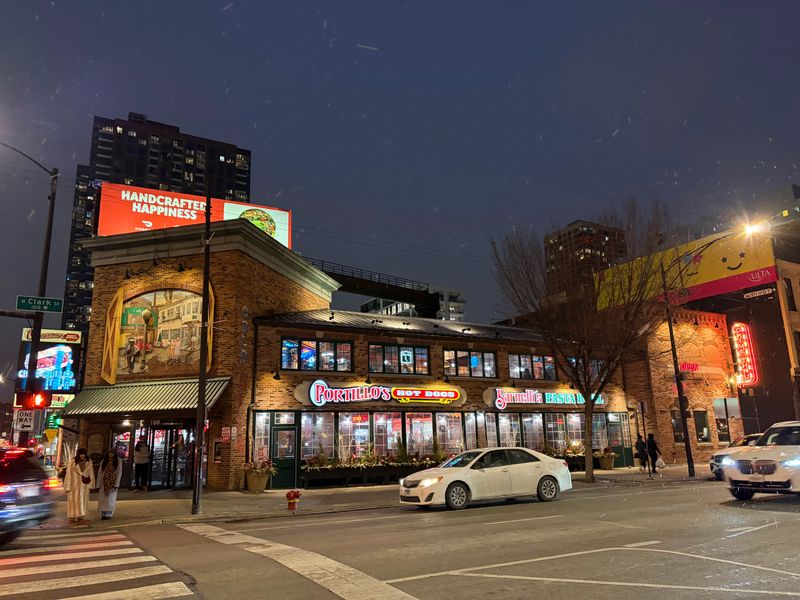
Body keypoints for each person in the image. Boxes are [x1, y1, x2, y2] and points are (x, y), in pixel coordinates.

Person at [64, 448, 94, 525]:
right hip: (74, 485)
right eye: (81, 454)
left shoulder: (89, 462)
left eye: (83, 454)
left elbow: (91, 473)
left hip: (84, 485)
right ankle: (72, 517)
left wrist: (91, 484)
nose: (82, 456)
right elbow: (68, 475)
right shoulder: (73, 463)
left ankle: (81, 517)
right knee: (73, 502)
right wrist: (67, 486)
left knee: (83, 501)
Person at [97, 449, 123, 520]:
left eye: (112, 453)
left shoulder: (118, 460)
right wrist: (98, 483)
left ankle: (109, 513)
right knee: (103, 498)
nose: (111, 455)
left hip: (112, 482)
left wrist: (116, 483)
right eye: (109, 453)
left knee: (110, 498)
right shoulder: (104, 460)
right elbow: (100, 472)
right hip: (104, 482)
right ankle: (103, 513)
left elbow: (119, 472)